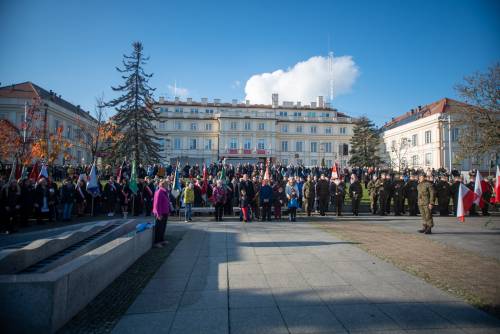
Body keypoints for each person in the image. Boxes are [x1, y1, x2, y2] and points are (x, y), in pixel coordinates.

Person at [152, 179, 171, 248]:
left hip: (165, 212)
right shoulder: (159, 192)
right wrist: (158, 214)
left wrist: (168, 211)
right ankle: (156, 242)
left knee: (163, 227)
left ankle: (161, 240)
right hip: (160, 213)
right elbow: (157, 204)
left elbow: (167, 202)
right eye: (167, 184)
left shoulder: (165, 192)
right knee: (158, 228)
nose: (168, 185)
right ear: (163, 185)